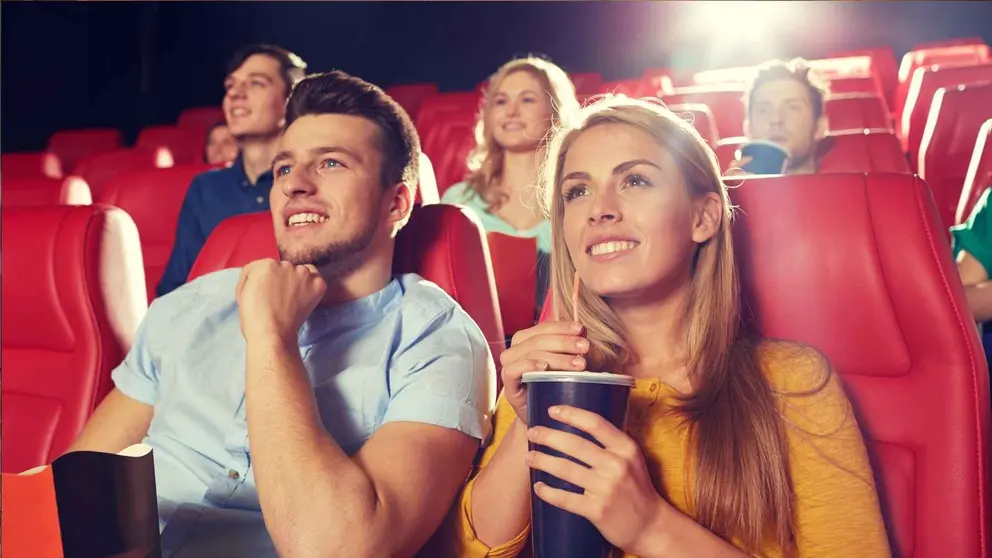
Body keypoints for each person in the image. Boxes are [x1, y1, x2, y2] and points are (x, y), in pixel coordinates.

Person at [427, 97, 889, 557]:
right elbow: (472, 551)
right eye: (577, 191)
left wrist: (649, 526)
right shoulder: (555, 374)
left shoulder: (791, 381)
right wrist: (527, 424)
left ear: (703, 217)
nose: (600, 210)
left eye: (634, 180)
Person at [67, 70, 496, 557]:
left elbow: (337, 548)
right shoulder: (190, 304)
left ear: (396, 203)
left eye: (331, 163)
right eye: (284, 169)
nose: (296, 185)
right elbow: (81, 486)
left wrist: (272, 336)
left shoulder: (438, 340)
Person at [157, 44, 307, 297]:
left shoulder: (309, 185)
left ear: (290, 101)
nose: (236, 94)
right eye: (230, 86)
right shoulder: (205, 189)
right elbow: (176, 290)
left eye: (256, 83)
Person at [441, 56, 581, 317]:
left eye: (527, 99)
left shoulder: (576, 198)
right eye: (501, 101)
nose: (511, 111)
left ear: (555, 110)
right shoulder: (458, 200)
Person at [728, 58, 830, 175]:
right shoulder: (728, 192)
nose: (776, 119)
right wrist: (730, 191)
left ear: (820, 127)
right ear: (748, 128)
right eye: (763, 110)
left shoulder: (847, 191)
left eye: (793, 108)